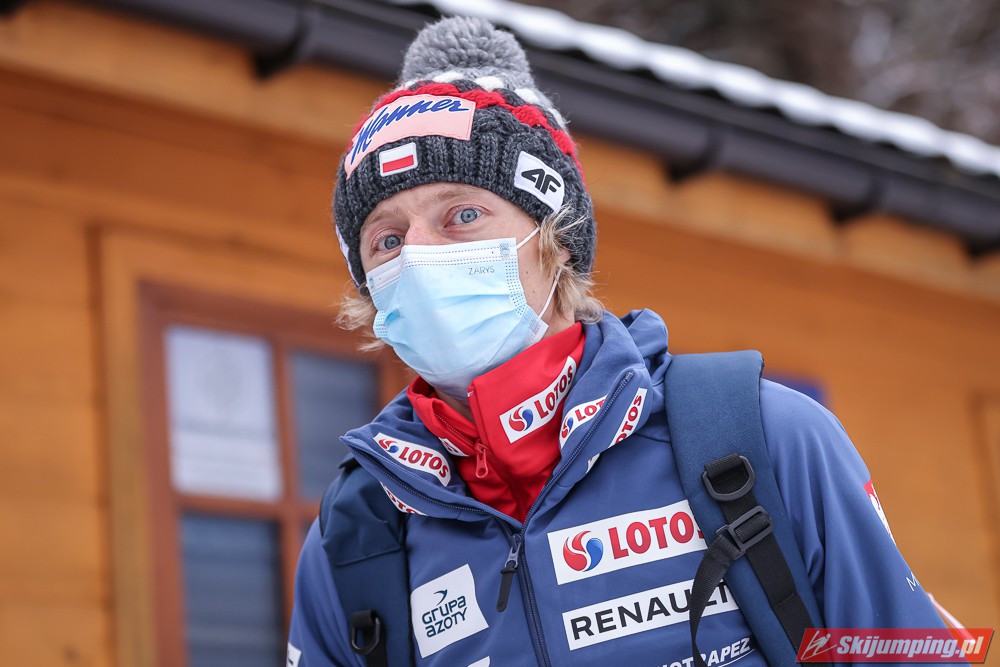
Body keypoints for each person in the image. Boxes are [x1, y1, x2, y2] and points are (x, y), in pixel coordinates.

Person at [287, 16, 953, 667]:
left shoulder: (762, 437)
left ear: (554, 238)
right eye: (387, 239)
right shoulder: (356, 537)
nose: (421, 255)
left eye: (463, 214)